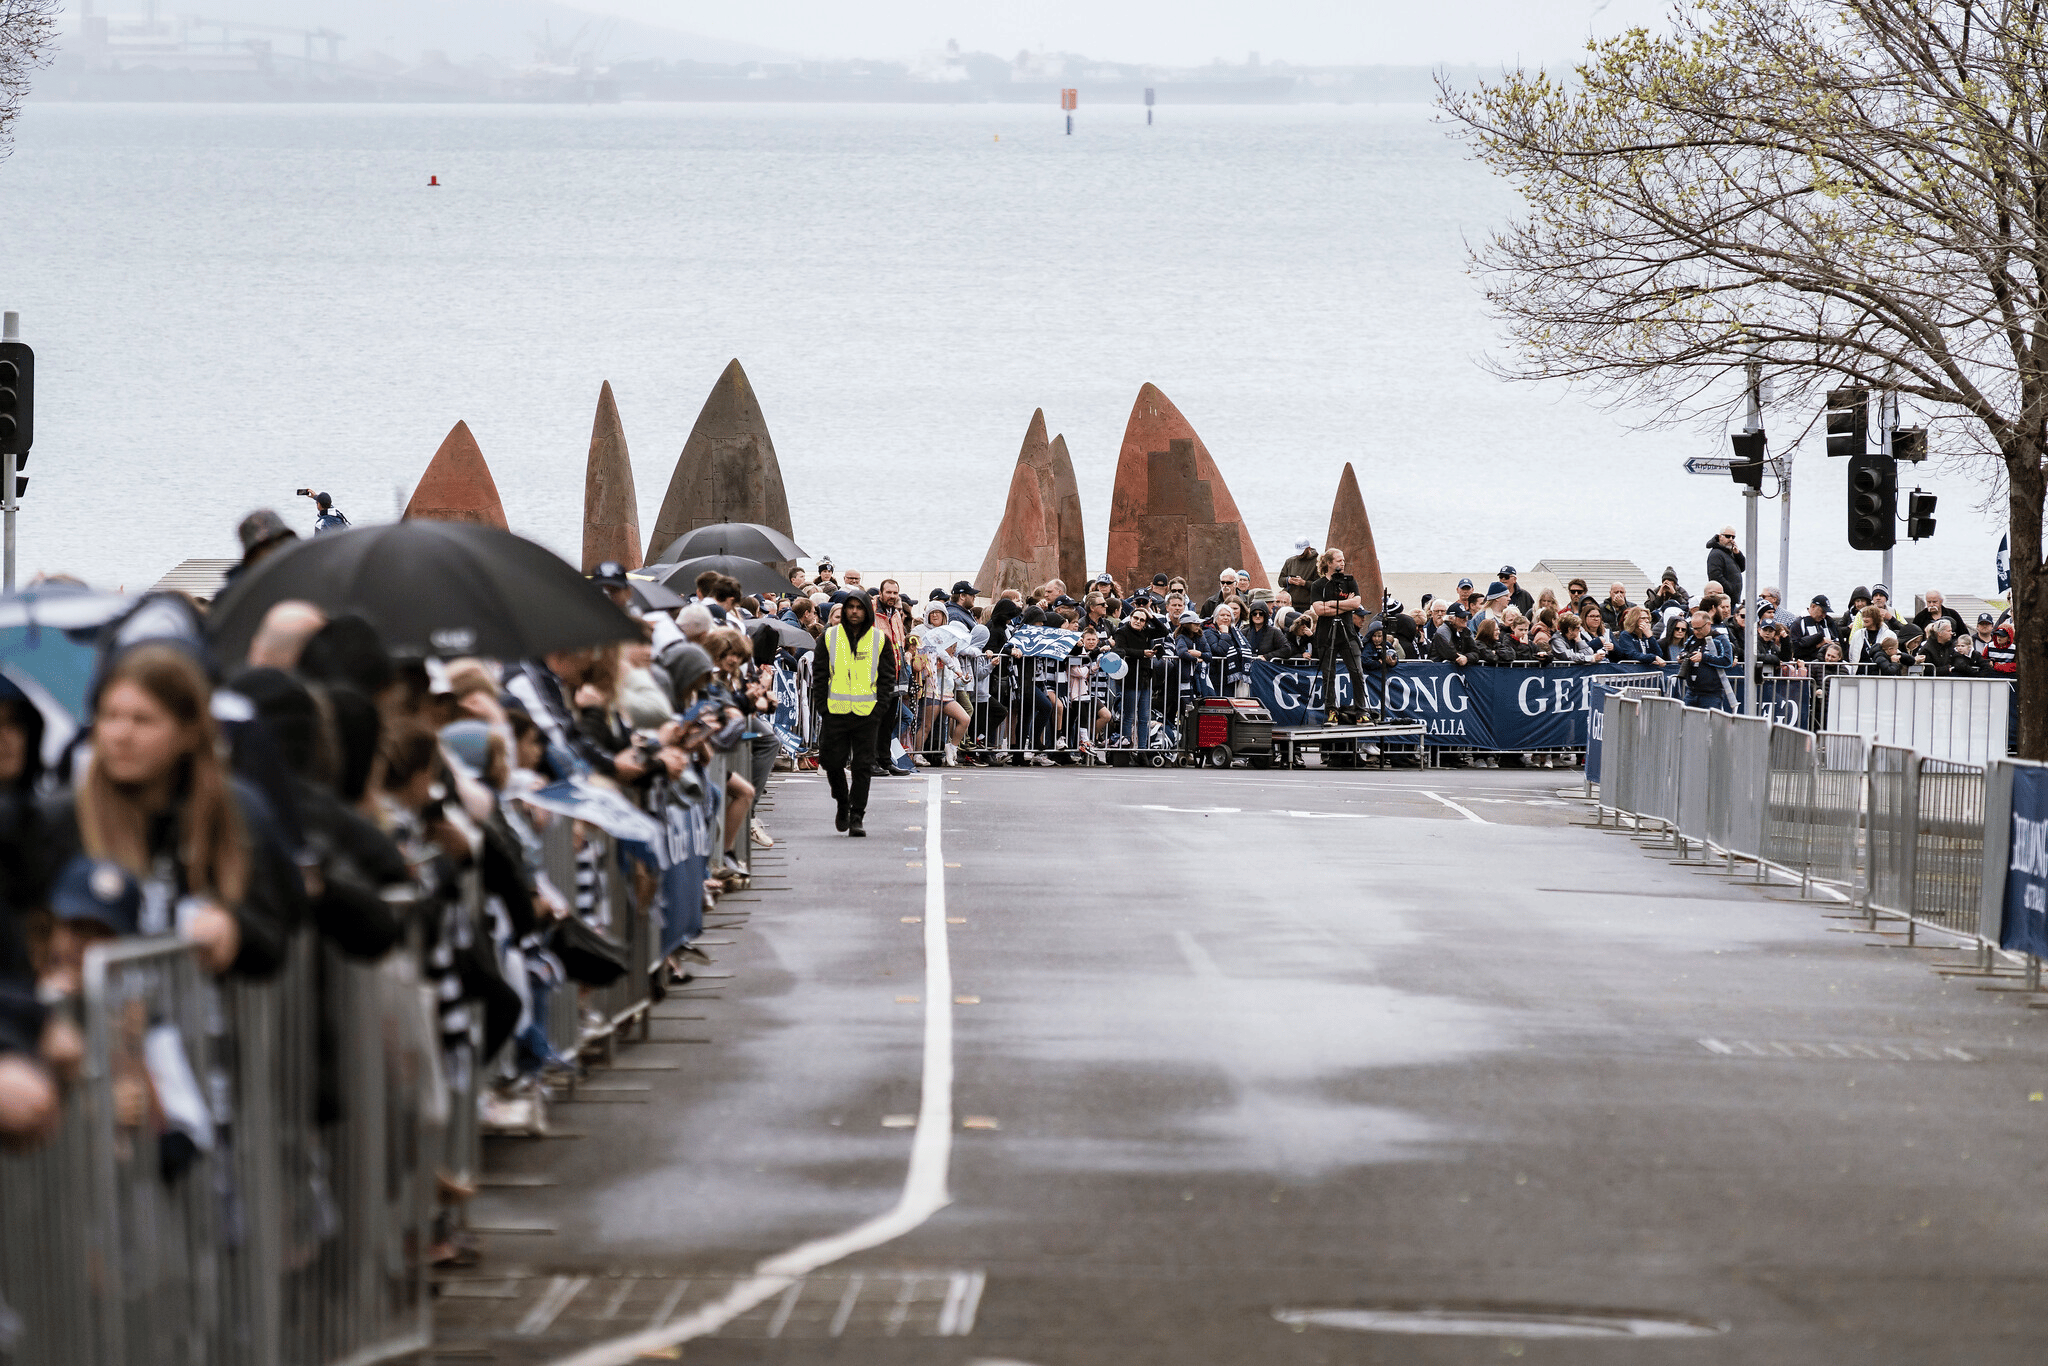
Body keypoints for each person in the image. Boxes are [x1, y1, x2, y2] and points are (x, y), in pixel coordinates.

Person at [811, 590, 895, 836]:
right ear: (845, 610)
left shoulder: (879, 639)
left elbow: (887, 678)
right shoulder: (829, 637)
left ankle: (857, 815)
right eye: (851, 607)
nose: (855, 611)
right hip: (835, 712)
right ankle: (841, 801)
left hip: (867, 713)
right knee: (831, 762)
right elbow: (819, 675)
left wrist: (879, 709)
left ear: (866, 610)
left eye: (859, 607)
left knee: (862, 766)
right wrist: (822, 707)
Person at [1310, 548, 1367, 723]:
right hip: (1326, 635)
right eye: (1339, 560)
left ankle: (1361, 711)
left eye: (1343, 560)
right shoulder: (1318, 585)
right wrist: (1345, 604)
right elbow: (1319, 610)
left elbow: (1356, 603)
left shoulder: (1349, 582)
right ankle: (1331, 711)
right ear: (1328, 563)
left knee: (1357, 672)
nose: (1342, 563)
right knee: (1328, 675)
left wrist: (1332, 605)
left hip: (1348, 633)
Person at [1675, 610, 1734, 710]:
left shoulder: (1720, 639)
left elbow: (1727, 661)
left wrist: (1704, 658)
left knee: (1709, 724)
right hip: (1691, 692)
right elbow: (1684, 651)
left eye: (1699, 629)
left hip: (1711, 694)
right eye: (1693, 628)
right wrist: (1681, 657)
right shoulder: (1692, 639)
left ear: (1708, 624)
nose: (1696, 632)